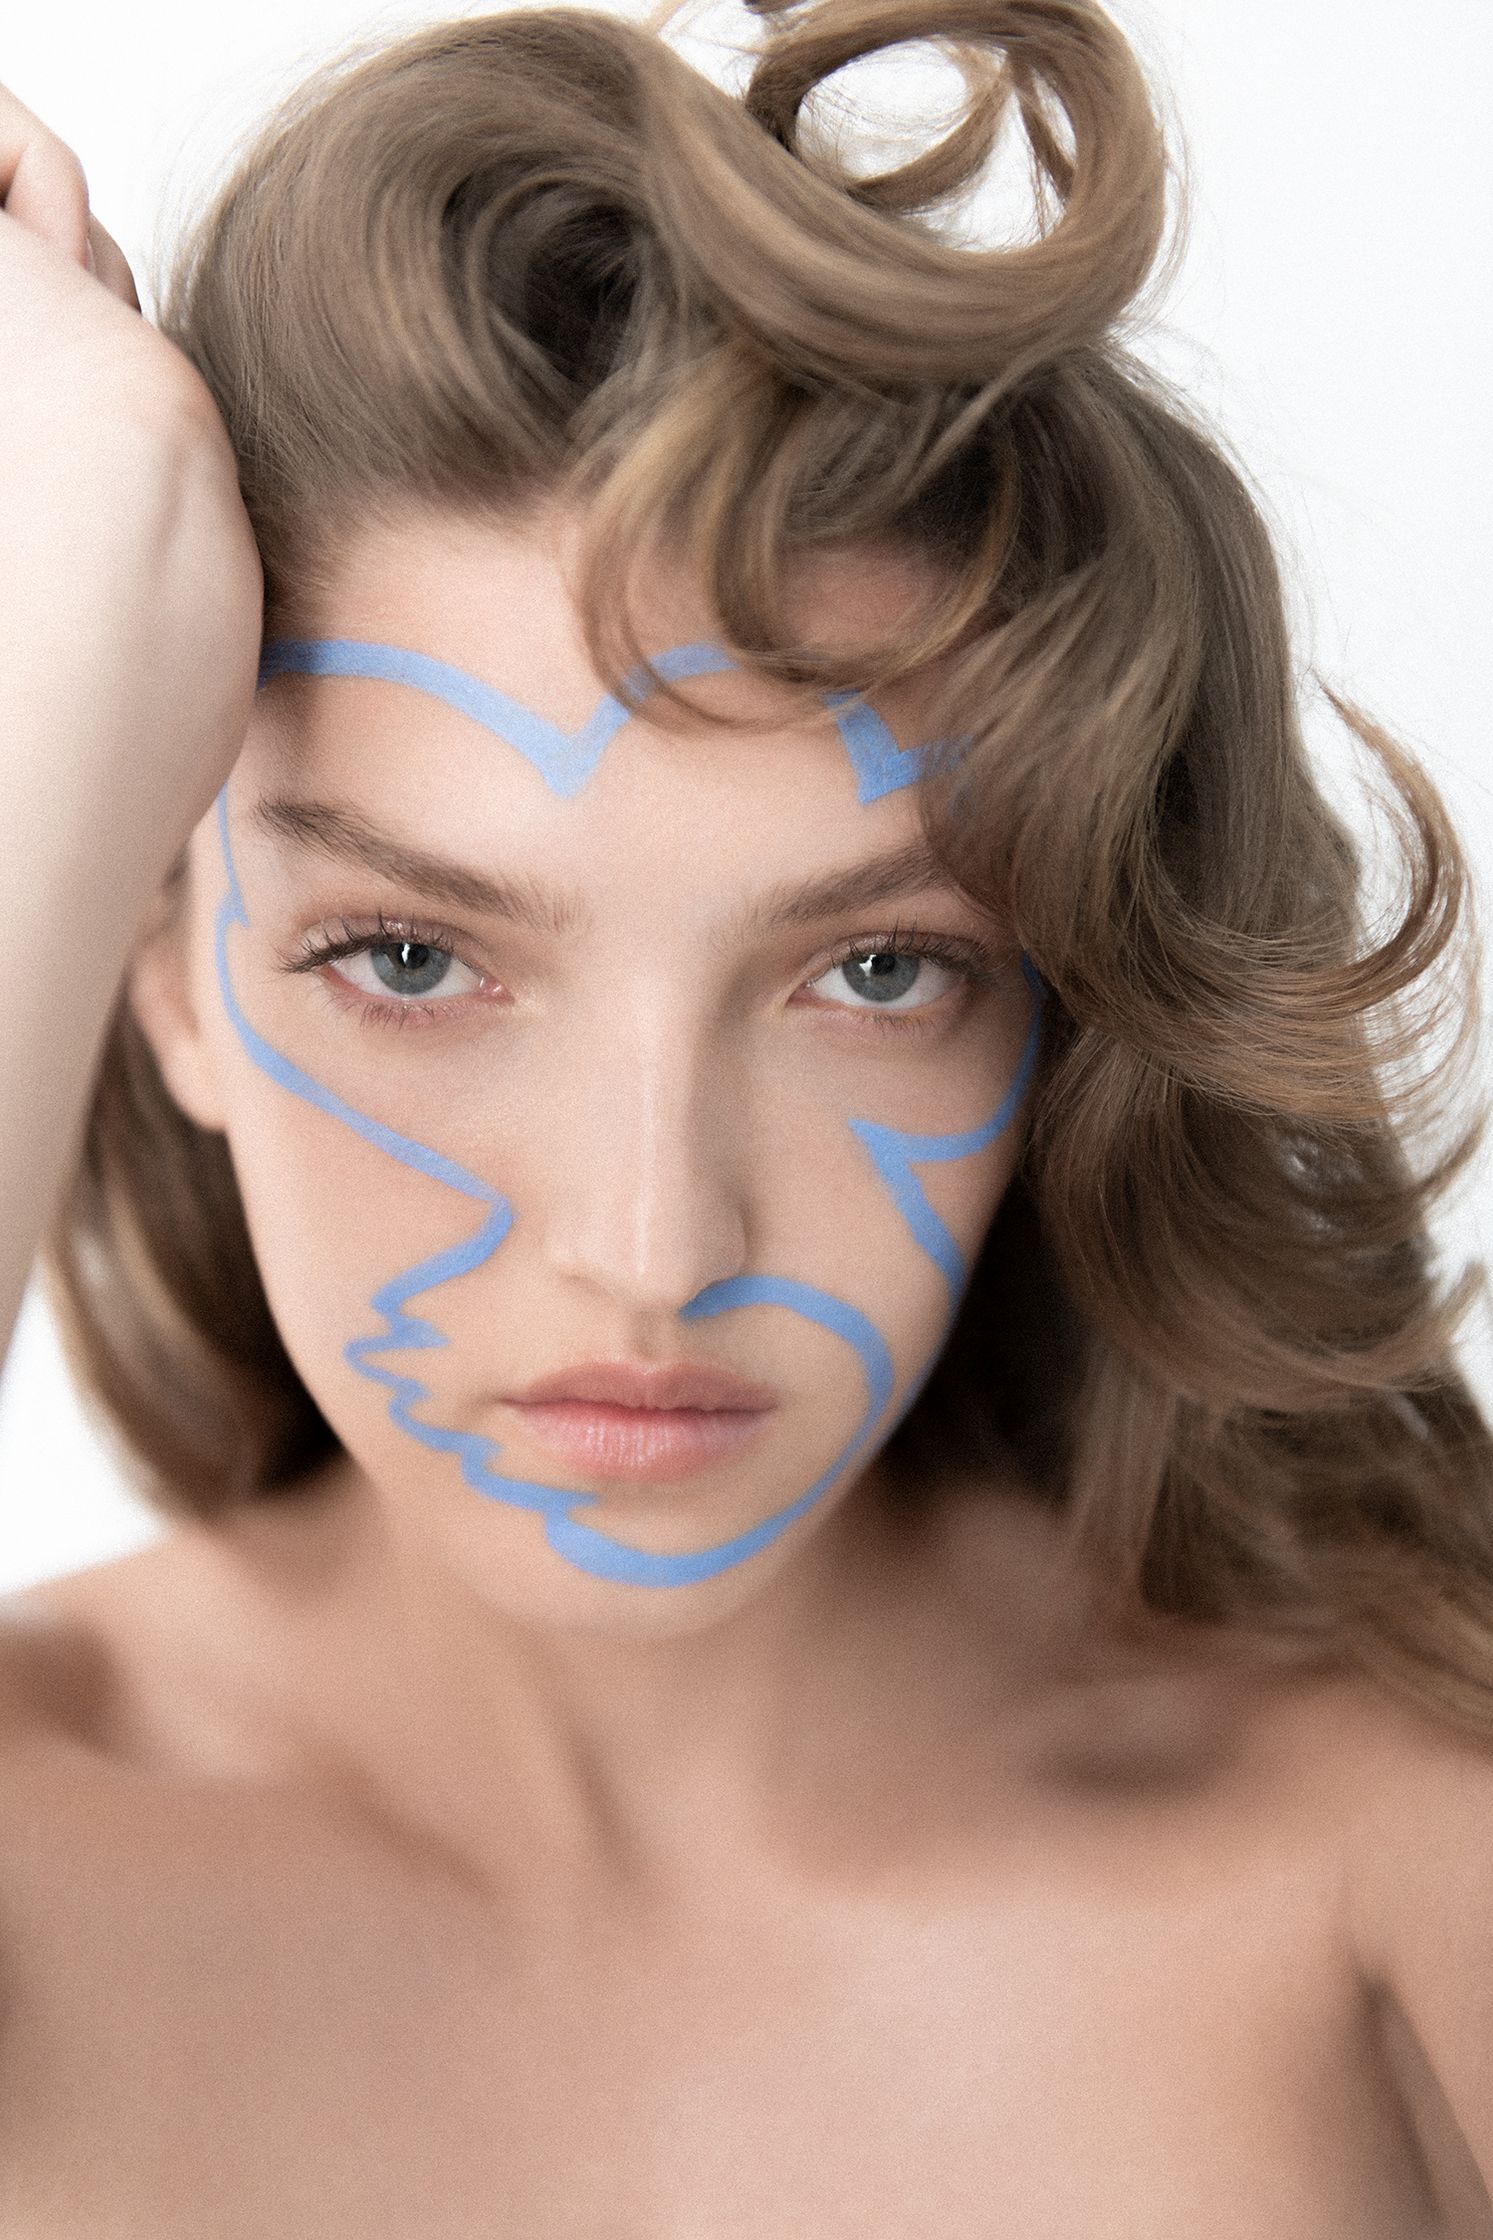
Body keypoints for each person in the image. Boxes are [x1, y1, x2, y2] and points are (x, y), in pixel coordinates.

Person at [0, 0, 1490, 2227]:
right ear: (149, 964)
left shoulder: (1392, 1837)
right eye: (411, 956)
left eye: (876, 969)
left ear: (1062, 1001)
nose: (650, 1235)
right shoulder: (43, 1859)